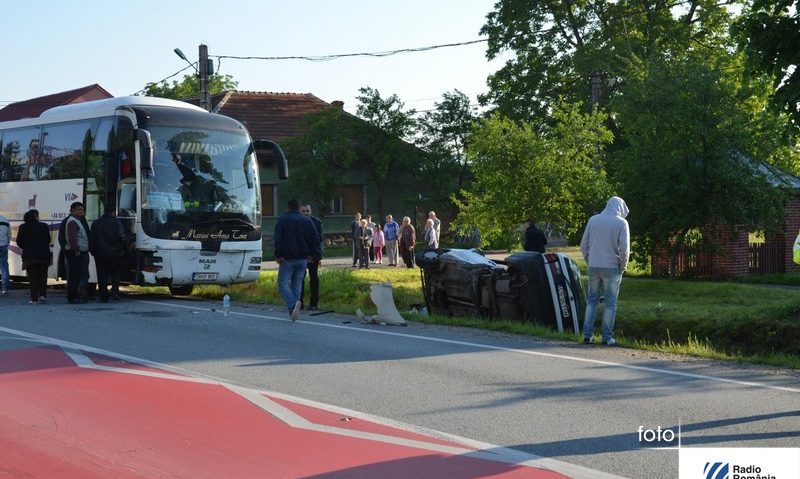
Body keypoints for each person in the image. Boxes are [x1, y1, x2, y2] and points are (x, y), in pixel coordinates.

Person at [580, 196, 630, 346]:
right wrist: (622, 266)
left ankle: (587, 335)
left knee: (592, 301)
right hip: (612, 267)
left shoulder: (593, 220)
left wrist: (590, 261)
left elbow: (583, 245)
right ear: (621, 208)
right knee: (610, 303)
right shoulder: (622, 223)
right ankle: (607, 337)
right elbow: (625, 250)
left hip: (594, 265)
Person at [274, 198, 321, 321]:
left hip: (287, 258)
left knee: (283, 283)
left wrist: (278, 255)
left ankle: (293, 304)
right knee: (297, 284)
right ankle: (293, 311)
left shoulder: (283, 219)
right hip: (303, 258)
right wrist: (312, 253)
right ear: (299, 207)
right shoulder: (307, 220)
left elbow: (278, 238)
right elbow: (315, 237)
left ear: (288, 207)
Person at [90, 207, 127, 302]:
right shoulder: (117, 223)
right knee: (115, 274)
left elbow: (92, 239)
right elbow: (122, 237)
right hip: (116, 253)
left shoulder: (96, 223)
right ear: (113, 212)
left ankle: (103, 296)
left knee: (102, 276)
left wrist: (94, 252)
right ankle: (114, 292)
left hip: (100, 254)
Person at [15, 209, 51, 304]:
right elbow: (48, 239)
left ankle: (34, 299)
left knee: (33, 278)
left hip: (29, 256)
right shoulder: (44, 226)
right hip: (44, 255)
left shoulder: (23, 227)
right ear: (35, 216)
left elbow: (19, 242)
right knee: (43, 276)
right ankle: (42, 296)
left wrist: (26, 247)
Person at [65, 201, 91, 304]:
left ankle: (75, 296)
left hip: (79, 251)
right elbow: (73, 238)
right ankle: (73, 297)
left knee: (76, 275)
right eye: (79, 209)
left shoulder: (77, 220)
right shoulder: (72, 222)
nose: (82, 211)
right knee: (74, 276)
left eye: (82, 209)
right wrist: (76, 251)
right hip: (76, 253)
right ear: (73, 210)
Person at [300, 203, 323, 311]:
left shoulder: (316, 222)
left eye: (307, 211)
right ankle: (299, 303)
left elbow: (319, 240)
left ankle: (314, 303)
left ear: (310, 211)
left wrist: (315, 255)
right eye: (303, 211)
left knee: (314, 279)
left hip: (314, 256)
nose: (305, 213)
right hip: (300, 256)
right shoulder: (297, 222)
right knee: (300, 279)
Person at [0, 213, 9, 294]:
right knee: (4, 267)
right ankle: (4, 289)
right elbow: (9, 234)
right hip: (3, 245)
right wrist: (7, 243)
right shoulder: (5, 220)